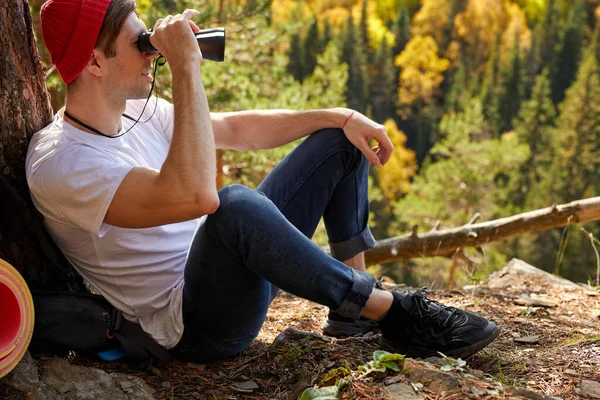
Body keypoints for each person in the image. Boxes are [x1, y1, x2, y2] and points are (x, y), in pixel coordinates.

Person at [26, 0, 500, 363]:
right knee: (232, 206)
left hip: (234, 269)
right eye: (141, 44)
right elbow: (197, 197)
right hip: (194, 324)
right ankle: (396, 313)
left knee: (339, 140)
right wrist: (187, 67)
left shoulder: (135, 111)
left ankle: (353, 311)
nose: (153, 54)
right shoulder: (62, 164)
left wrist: (339, 116)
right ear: (94, 62)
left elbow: (236, 129)